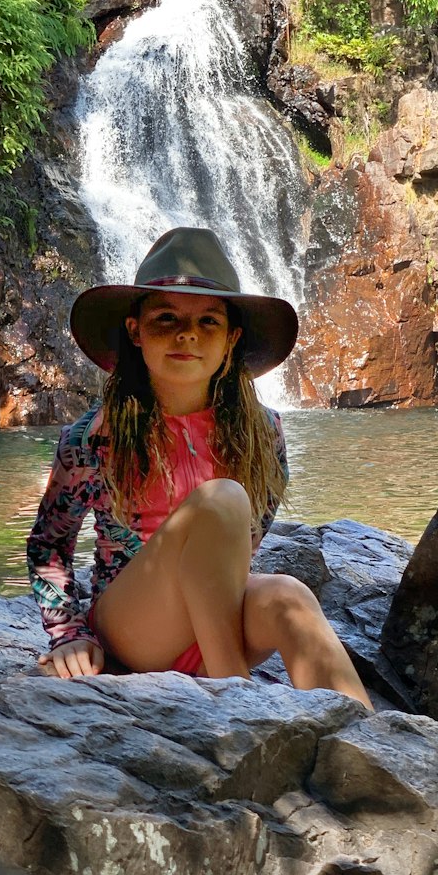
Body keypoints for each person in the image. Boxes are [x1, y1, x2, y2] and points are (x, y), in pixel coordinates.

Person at [26, 226, 371, 707]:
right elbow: (49, 543)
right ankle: (240, 705)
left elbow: (249, 537)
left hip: (214, 625)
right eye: (165, 318)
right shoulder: (94, 437)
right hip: (133, 631)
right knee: (222, 498)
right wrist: (68, 633)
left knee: (290, 596)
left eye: (208, 322)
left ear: (231, 339)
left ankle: (369, 747)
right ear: (136, 331)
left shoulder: (263, 432)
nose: (186, 334)